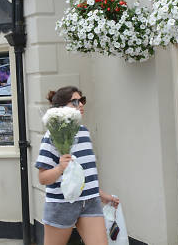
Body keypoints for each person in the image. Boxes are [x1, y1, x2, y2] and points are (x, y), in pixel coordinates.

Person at [35, 86, 119, 245]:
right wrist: (60, 168)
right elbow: (43, 178)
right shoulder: (52, 136)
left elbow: (84, 175)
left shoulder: (84, 132)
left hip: (90, 202)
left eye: (82, 100)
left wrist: (101, 195)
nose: (81, 105)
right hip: (61, 204)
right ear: (60, 108)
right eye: (74, 102)